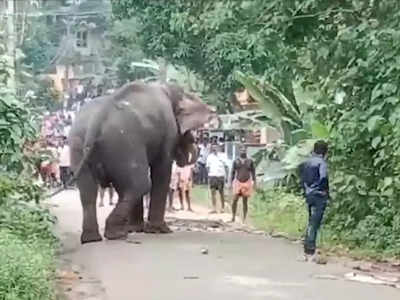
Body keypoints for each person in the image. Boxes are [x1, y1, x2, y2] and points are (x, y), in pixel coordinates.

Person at [299, 140, 329, 262]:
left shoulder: (306, 162)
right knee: (314, 223)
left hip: (309, 194)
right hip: (319, 195)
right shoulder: (322, 163)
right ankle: (310, 250)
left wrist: (308, 189)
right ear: (324, 151)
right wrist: (323, 191)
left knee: (311, 220)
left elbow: (302, 179)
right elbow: (323, 178)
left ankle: (307, 249)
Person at [231, 147, 256, 223]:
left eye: (244, 151)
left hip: (247, 182)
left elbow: (253, 172)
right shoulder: (236, 161)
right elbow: (232, 172)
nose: (243, 152)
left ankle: (244, 218)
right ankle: (233, 216)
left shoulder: (250, 161)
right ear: (239, 151)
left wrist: (254, 182)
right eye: (242, 150)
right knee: (235, 200)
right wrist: (230, 182)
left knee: (245, 201)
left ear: (246, 152)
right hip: (238, 181)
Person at [206, 144, 229, 213]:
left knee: (221, 192)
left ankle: (222, 208)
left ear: (218, 148)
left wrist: (227, 176)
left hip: (220, 176)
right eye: (213, 148)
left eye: (215, 148)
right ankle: (214, 208)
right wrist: (209, 175)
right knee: (213, 192)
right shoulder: (209, 157)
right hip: (213, 176)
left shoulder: (223, 156)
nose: (214, 149)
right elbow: (207, 167)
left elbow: (226, 167)